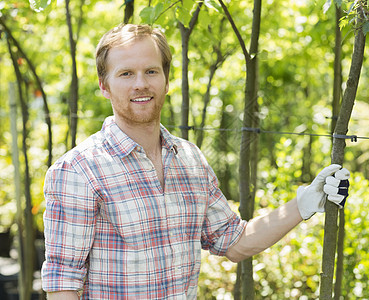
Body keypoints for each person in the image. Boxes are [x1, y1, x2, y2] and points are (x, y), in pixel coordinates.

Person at [41, 24, 350, 300]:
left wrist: (305, 203)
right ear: (104, 85)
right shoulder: (78, 171)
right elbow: (63, 285)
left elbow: (234, 242)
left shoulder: (189, 159)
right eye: (126, 73)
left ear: (166, 80)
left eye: (151, 71)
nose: (141, 84)